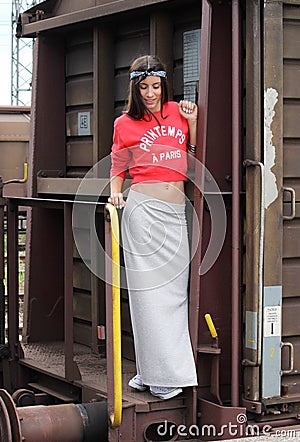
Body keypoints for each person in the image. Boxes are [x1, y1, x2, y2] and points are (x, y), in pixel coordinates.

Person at [109, 55, 198, 400]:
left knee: (174, 295)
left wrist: (194, 122)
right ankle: (160, 376)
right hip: (142, 211)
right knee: (148, 296)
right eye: (143, 87)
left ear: (165, 85)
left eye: (155, 86)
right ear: (134, 88)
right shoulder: (124, 124)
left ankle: (150, 370)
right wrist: (116, 195)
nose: (150, 93)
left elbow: (192, 157)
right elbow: (118, 164)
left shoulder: (179, 112)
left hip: (175, 213)